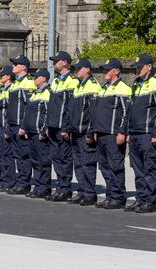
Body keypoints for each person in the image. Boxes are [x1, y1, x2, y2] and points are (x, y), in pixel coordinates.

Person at [125, 54, 156, 213]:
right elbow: (131, 110)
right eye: (136, 67)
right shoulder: (136, 84)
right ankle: (140, 198)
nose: (137, 69)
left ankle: (150, 200)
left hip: (148, 133)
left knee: (149, 168)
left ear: (149, 67)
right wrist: (128, 130)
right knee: (137, 169)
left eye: (140, 67)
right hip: (135, 133)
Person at [90, 58, 131, 209]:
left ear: (116, 71)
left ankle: (118, 197)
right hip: (101, 133)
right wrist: (95, 130)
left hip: (114, 134)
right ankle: (110, 195)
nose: (104, 72)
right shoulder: (104, 87)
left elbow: (126, 113)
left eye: (108, 69)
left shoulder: (123, 88)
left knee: (116, 166)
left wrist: (122, 132)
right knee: (104, 166)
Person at [64, 58, 101, 206]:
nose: (76, 71)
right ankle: (81, 191)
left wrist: (91, 132)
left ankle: (89, 193)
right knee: (78, 164)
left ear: (87, 69)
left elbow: (94, 113)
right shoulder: (79, 86)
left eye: (79, 68)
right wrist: (68, 128)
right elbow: (70, 111)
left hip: (85, 132)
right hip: (76, 131)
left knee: (88, 164)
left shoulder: (92, 86)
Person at [46, 51, 78, 202]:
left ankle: (65, 189)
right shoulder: (56, 81)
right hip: (53, 126)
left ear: (64, 62)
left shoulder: (72, 81)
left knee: (65, 159)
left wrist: (66, 128)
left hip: (62, 127)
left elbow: (71, 109)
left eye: (56, 61)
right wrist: (47, 125)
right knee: (56, 159)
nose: (54, 63)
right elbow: (51, 106)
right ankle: (59, 187)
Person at [20, 68, 52, 198]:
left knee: (43, 161)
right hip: (31, 132)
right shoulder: (34, 93)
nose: (34, 79)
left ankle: (44, 187)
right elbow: (27, 113)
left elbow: (48, 114)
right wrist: (25, 128)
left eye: (37, 77)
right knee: (35, 161)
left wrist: (44, 130)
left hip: (40, 133)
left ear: (44, 78)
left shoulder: (48, 93)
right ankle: (38, 186)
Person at [6, 56, 35, 195]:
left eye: (16, 64)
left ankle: (25, 183)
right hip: (12, 124)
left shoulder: (28, 83)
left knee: (24, 156)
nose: (13, 66)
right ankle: (20, 181)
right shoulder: (15, 84)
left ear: (24, 67)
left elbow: (29, 107)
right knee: (17, 155)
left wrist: (24, 126)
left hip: (21, 126)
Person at [0, 65, 15, 192]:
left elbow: (9, 112)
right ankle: (3, 179)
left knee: (7, 155)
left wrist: (7, 128)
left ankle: (9, 180)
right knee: (1, 154)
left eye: (2, 76)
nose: (0, 78)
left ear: (8, 77)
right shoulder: (2, 90)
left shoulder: (11, 90)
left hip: (6, 126)